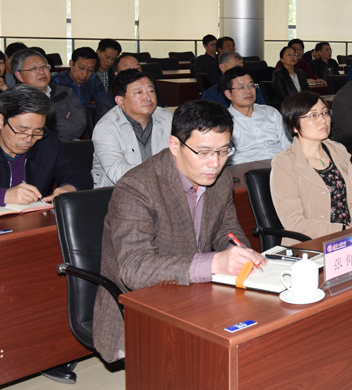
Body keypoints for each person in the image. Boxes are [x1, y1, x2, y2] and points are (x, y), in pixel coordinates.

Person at [92, 100, 266, 363]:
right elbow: (133, 268)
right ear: (175, 145)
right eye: (204, 152)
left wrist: (237, 251)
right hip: (141, 303)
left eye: (223, 151)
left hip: (195, 293)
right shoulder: (137, 187)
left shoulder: (219, 178)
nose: (215, 163)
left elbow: (226, 228)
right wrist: (214, 263)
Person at [270, 92, 352, 243]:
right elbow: (294, 223)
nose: (323, 120)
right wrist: (343, 231)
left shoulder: (338, 150)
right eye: (313, 115)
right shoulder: (284, 163)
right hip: (310, 244)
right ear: (294, 126)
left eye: (324, 112)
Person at [0, 85, 91, 205]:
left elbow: (79, 175)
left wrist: (69, 188)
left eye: (37, 131)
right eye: (22, 131)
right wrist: (4, 196)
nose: (29, 139)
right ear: (1, 120)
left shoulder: (47, 142)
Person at [91, 70, 173, 188]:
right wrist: (161, 177)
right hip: (119, 192)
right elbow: (118, 172)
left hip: (164, 190)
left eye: (151, 91)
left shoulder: (168, 119)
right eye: (139, 92)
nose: (148, 97)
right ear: (120, 101)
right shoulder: (105, 128)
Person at [10, 49, 86, 140]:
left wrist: (45, 128)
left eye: (44, 66)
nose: (42, 72)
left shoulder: (66, 93)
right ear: (19, 76)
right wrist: (58, 124)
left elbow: (79, 124)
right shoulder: (13, 100)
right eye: (33, 68)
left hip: (64, 146)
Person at [222, 67, 290, 164]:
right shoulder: (224, 120)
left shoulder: (270, 112)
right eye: (241, 87)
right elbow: (227, 156)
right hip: (247, 167)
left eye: (251, 85)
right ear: (228, 94)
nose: (248, 91)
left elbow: (287, 143)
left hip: (281, 164)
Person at [51, 46, 115, 120]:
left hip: (86, 121)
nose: (84, 74)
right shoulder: (56, 81)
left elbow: (104, 101)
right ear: (71, 63)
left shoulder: (93, 79)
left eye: (90, 70)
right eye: (81, 68)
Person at [201, 51, 266, 106]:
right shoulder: (210, 95)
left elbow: (263, 110)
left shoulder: (252, 89)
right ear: (222, 67)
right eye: (236, 67)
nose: (239, 71)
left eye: (241, 67)